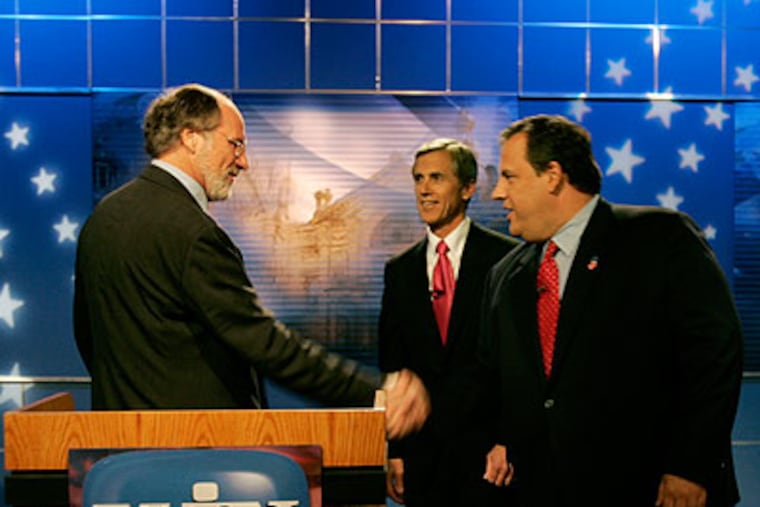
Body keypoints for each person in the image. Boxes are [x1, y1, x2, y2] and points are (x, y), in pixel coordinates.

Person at [73, 83, 429, 440]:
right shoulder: (195, 233)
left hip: (116, 453)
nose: (244, 162)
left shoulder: (102, 218)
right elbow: (261, 340)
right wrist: (372, 393)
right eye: (236, 144)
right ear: (192, 138)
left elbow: (88, 336)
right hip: (193, 453)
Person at [479, 114, 743, 507]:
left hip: (651, 489)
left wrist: (691, 466)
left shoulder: (659, 238)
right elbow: (496, 378)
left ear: (553, 175)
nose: (497, 193)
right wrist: (499, 437)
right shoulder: (505, 275)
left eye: (509, 176)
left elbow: (715, 355)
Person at [378, 138, 519, 506]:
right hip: (424, 458)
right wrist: (395, 451)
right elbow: (395, 367)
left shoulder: (506, 260)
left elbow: (519, 363)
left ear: (469, 188)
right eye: (418, 178)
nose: (424, 189)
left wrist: (508, 439)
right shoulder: (399, 270)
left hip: (490, 456)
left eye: (436, 177)